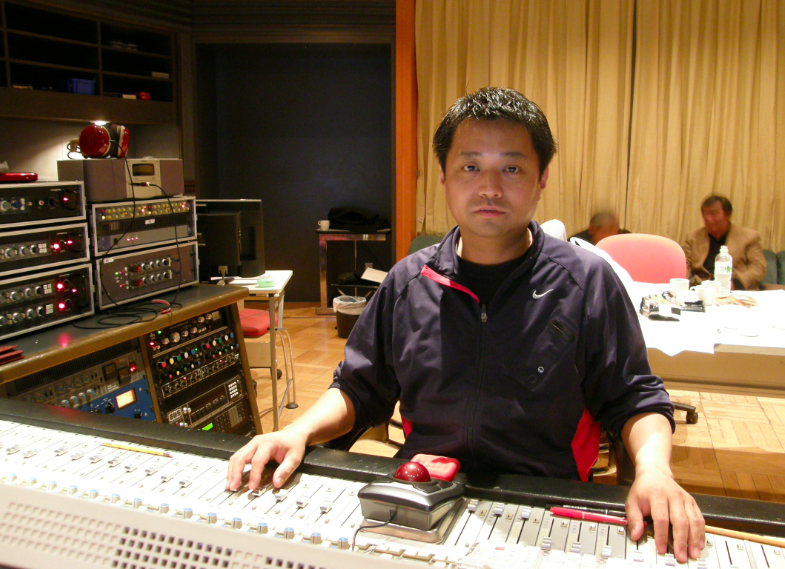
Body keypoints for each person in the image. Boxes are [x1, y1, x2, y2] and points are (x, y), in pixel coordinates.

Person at [227, 87, 705, 562]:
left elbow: (634, 398)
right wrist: (297, 432)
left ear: (542, 178)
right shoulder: (408, 282)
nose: (489, 188)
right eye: (470, 167)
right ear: (444, 176)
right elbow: (358, 388)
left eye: (511, 168)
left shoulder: (585, 282)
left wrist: (654, 471)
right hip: (423, 500)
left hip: (544, 508)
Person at [684, 195, 767, 290]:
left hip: (735, 290)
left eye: (713, 213)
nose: (708, 218)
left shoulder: (749, 237)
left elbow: (758, 268)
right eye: (705, 214)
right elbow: (686, 266)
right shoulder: (693, 237)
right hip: (701, 289)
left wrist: (736, 284)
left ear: (728, 214)